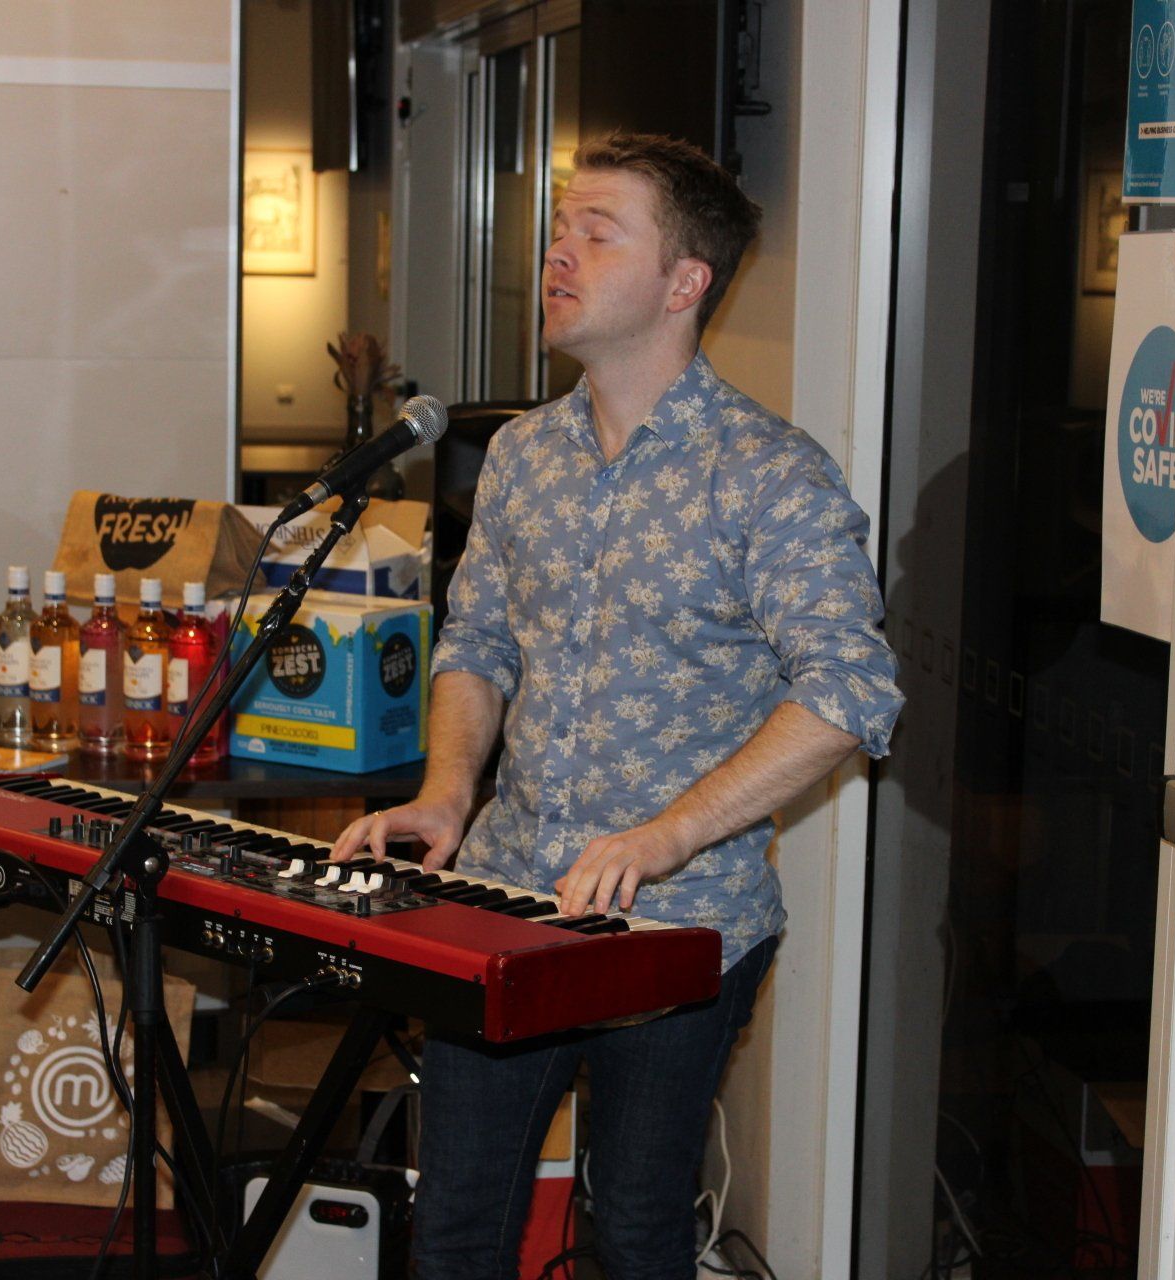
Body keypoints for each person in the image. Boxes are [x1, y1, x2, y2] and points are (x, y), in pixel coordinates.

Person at [330, 131, 904, 1279]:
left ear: (685, 282)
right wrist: (447, 792)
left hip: (684, 924)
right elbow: (479, 642)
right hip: (502, 891)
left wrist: (666, 835)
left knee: (637, 1234)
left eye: (599, 231)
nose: (560, 251)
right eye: (559, 227)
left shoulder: (769, 473)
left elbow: (852, 688)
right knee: (456, 1228)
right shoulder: (520, 456)